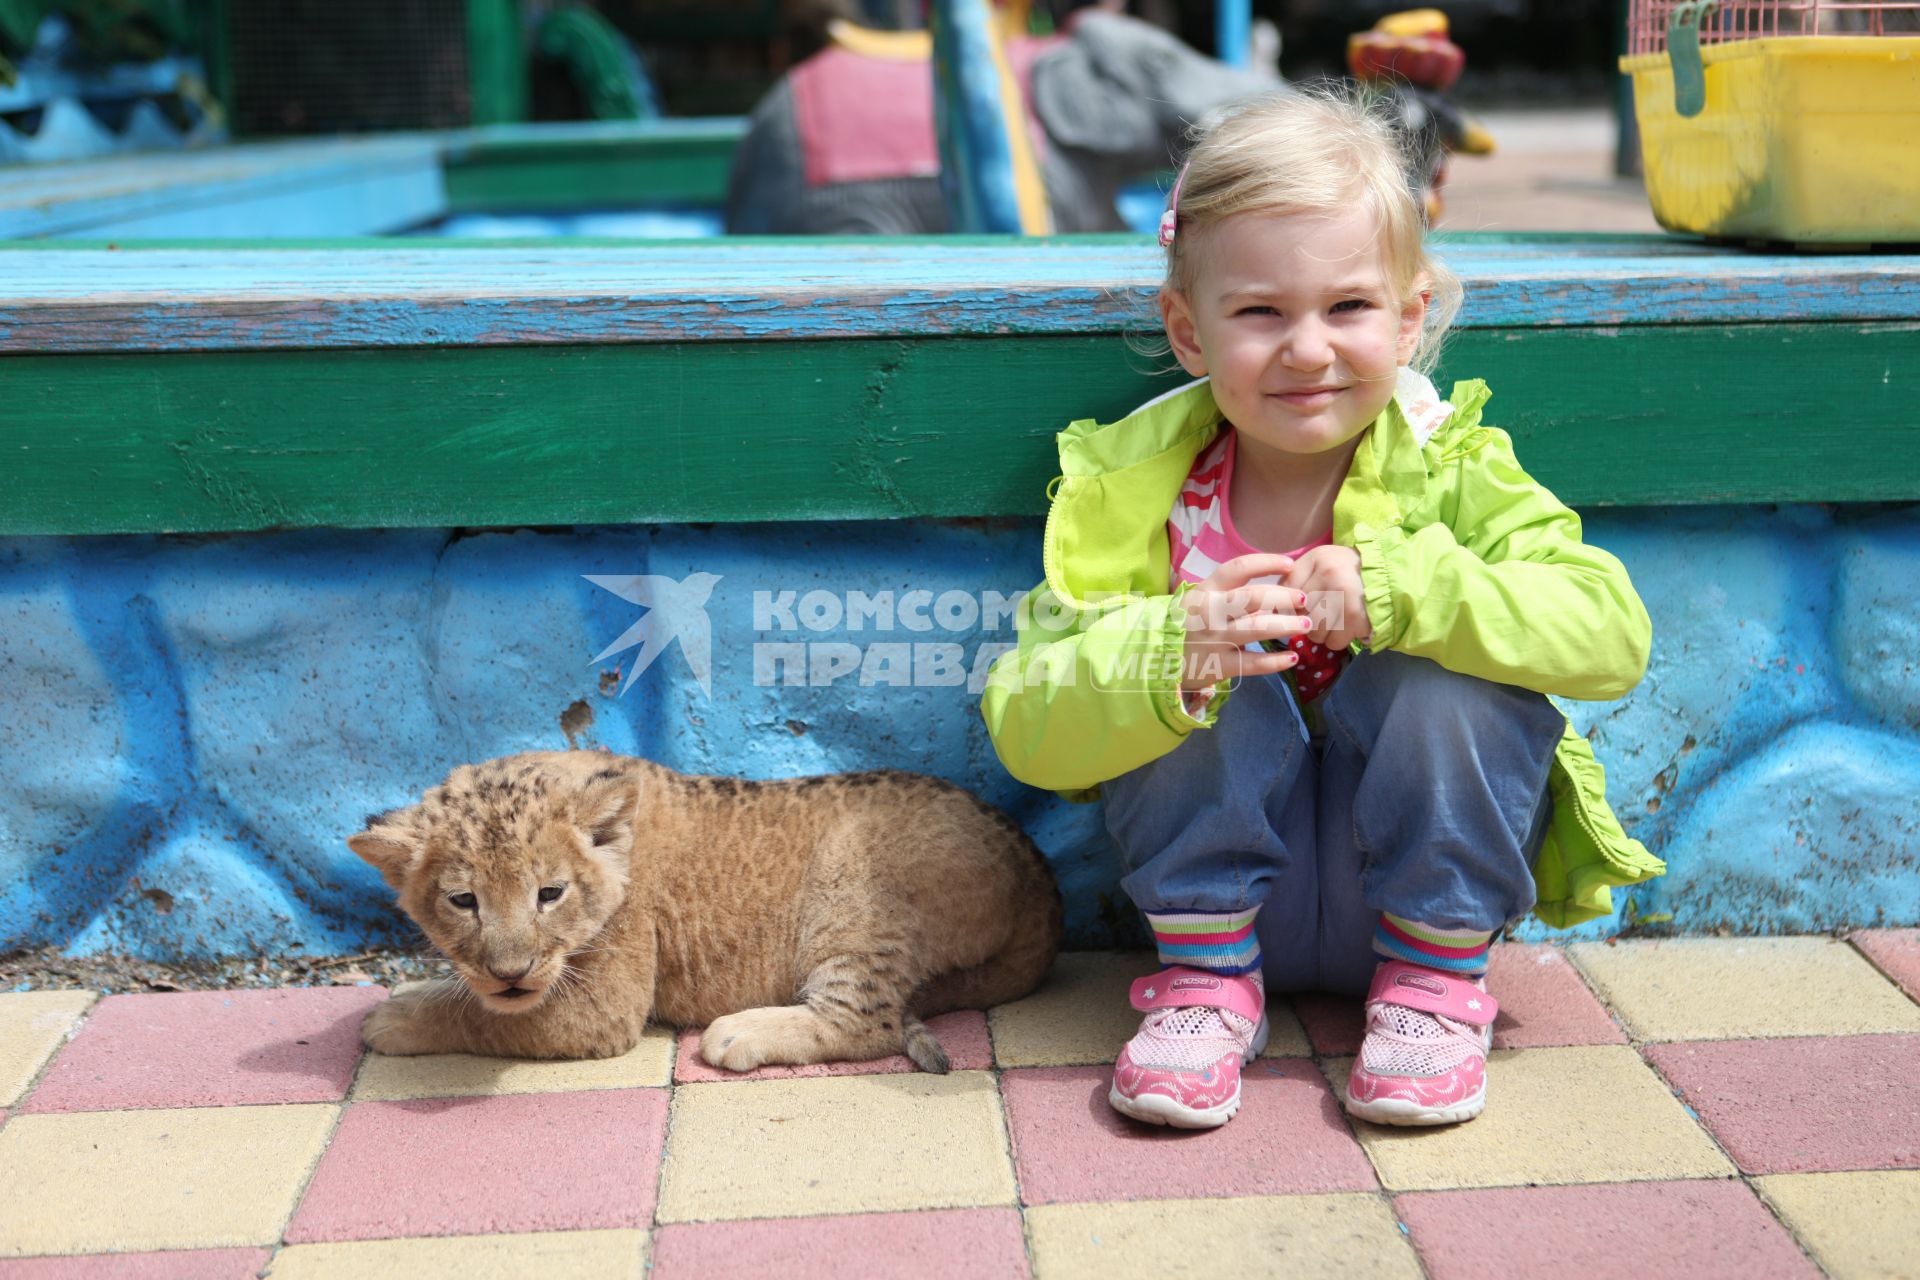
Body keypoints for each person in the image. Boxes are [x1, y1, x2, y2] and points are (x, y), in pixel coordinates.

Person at [979, 89, 1663, 1131]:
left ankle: (1434, 997)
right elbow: (1026, 717)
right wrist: (1173, 645)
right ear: (1188, 328)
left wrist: (1407, 591)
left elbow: (1610, 631)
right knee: (1182, 656)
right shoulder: (1137, 493)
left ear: (1409, 313)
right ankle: (1207, 994)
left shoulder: (1453, 467)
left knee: (1441, 671)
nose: (1306, 349)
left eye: (1347, 307)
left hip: (1429, 911)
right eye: (1260, 312)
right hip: (1210, 925)